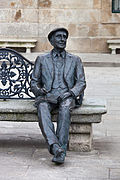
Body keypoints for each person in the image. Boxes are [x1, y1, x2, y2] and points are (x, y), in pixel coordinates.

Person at [30, 28, 86, 164]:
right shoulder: (42, 59)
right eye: (59, 37)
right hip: (47, 96)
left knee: (65, 108)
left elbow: (81, 82)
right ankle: (56, 147)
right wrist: (40, 91)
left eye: (64, 37)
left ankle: (61, 150)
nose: (62, 39)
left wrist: (70, 93)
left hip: (67, 96)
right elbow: (34, 82)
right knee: (42, 107)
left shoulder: (75, 60)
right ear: (51, 40)